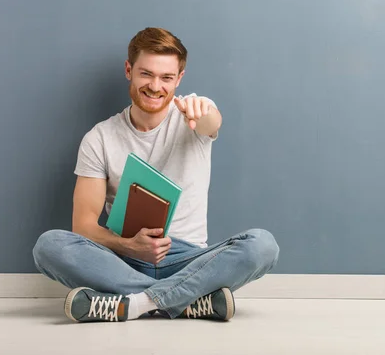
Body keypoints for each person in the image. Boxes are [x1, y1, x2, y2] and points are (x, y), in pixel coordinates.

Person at [32, 27, 279, 323]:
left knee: (262, 245)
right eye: (146, 74)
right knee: (49, 246)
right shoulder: (99, 138)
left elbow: (211, 122)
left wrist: (205, 113)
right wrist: (128, 245)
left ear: (180, 78)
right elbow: (83, 226)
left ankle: (136, 304)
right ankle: (188, 302)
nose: (155, 86)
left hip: (189, 260)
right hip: (123, 261)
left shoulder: (195, 114)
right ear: (129, 70)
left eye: (167, 77)